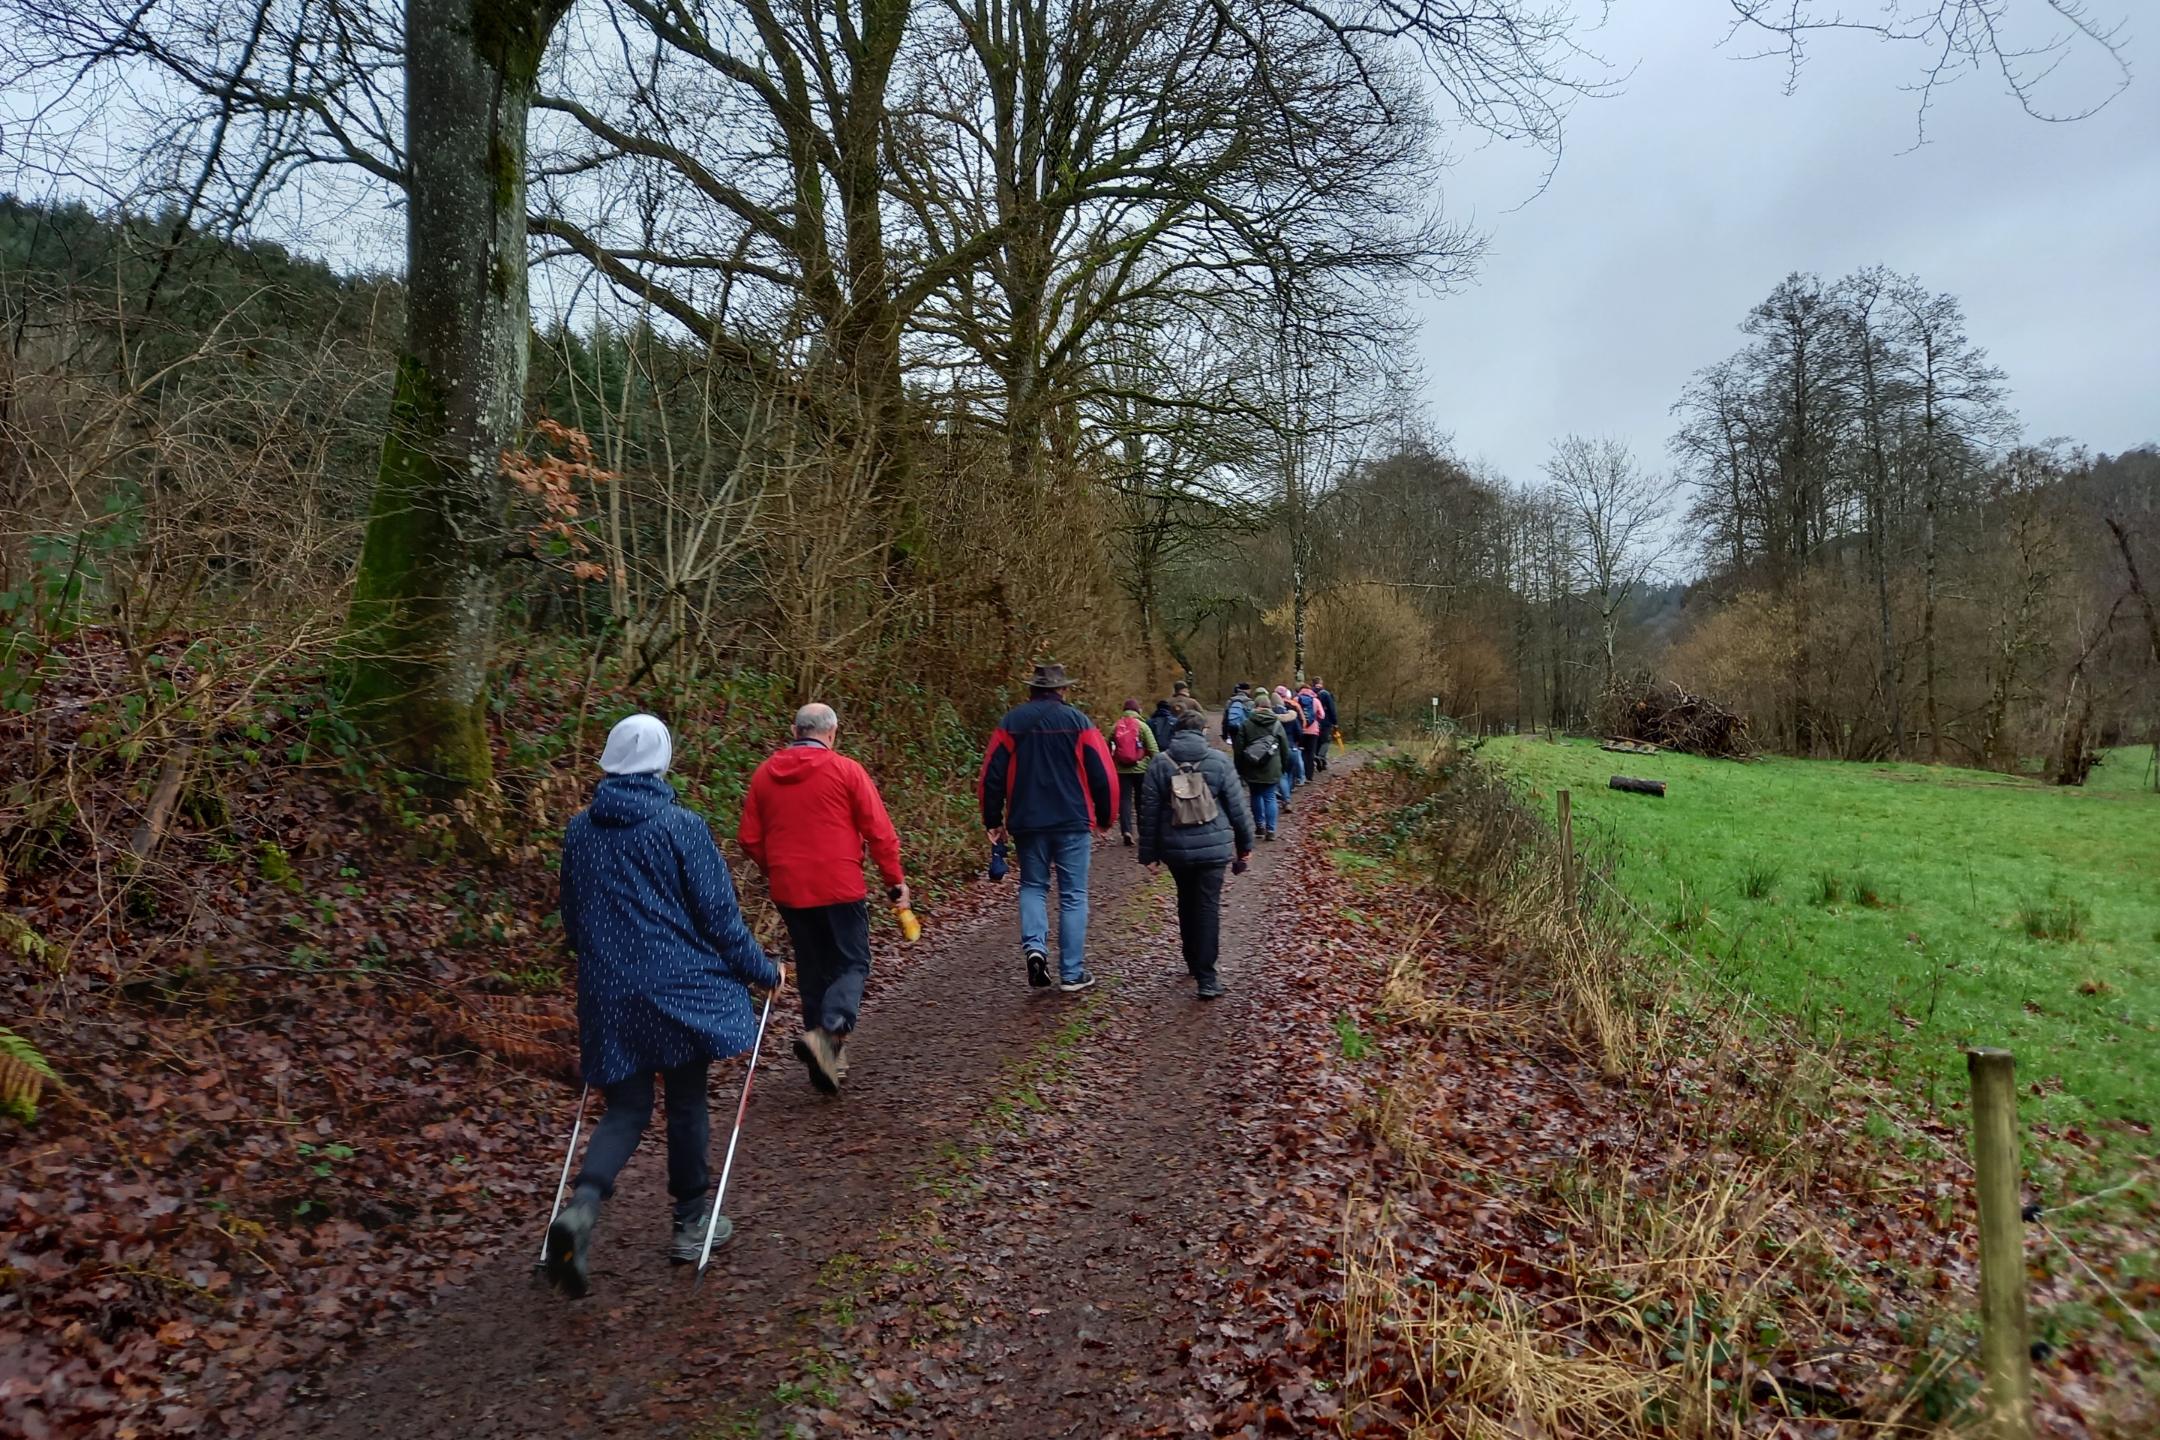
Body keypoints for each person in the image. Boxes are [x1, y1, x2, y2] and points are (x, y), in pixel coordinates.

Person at [548, 714, 784, 1297]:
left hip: (608, 990)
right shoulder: (681, 826)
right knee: (684, 1100)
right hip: (679, 989)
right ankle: (690, 1223)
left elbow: (573, 920)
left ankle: (580, 1209)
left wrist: (601, 962)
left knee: (626, 1108)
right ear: (662, 761)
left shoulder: (581, 830)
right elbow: (720, 918)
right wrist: (763, 970)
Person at [737, 702, 906, 1096]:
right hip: (839, 884)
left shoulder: (765, 775)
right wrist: (894, 882)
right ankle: (829, 1032)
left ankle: (825, 1062)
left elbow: (748, 838)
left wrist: (775, 867)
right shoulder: (846, 770)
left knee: (814, 970)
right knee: (852, 962)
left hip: (790, 889)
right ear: (831, 733)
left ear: (796, 731)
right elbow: (880, 832)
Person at [979, 662, 1117, 992]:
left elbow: (991, 776)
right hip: (1072, 821)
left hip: (1027, 821)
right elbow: (1104, 774)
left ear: (1031, 689)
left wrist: (993, 820)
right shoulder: (1079, 722)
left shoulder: (1011, 723)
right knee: (1073, 895)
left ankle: (1035, 949)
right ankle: (1071, 973)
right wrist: (1106, 817)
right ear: (1062, 690)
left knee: (1033, 887)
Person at [1137, 707, 1254, 999]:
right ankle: (1207, 976)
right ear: (1203, 732)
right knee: (1207, 906)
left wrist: (1149, 854)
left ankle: (1192, 959)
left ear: (1175, 733)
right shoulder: (1219, 761)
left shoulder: (1160, 764)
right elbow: (1238, 809)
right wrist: (1245, 846)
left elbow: (1148, 812)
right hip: (1213, 848)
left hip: (1176, 848)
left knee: (1186, 900)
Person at [1233, 695, 1288, 839]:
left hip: (1252, 766)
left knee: (1255, 795)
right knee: (1270, 797)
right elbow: (1284, 748)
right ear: (1270, 707)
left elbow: (1238, 748)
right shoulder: (1277, 724)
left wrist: (1239, 768)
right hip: (1272, 766)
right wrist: (1283, 767)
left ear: (1255, 706)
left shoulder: (1246, 724)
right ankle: (1271, 830)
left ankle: (1260, 826)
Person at [1109, 697, 1162, 845]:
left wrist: (1113, 763)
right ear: (1138, 710)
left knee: (1124, 800)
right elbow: (1153, 749)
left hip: (1121, 770)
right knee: (1141, 801)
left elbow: (1106, 747)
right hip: (1141, 769)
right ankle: (1142, 831)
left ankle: (1126, 830)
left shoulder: (1115, 726)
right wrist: (1156, 767)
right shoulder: (1143, 726)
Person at [1295, 681, 1325, 780]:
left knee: (1301, 752)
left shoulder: (1296, 699)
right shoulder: (1315, 701)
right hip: (1313, 731)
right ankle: (1309, 775)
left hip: (1300, 731)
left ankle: (1301, 775)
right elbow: (1322, 715)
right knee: (1310, 753)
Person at [1311, 676, 1340, 769]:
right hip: (1325, 721)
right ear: (1321, 683)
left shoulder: (1310, 694)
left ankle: (1319, 761)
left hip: (1312, 722)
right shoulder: (1326, 694)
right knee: (1326, 741)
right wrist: (1335, 722)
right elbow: (1332, 709)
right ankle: (1321, 757)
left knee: (1317, 741)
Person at [1220, 681, 1254, 746]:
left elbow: (1225, 719)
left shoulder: (1230, 701)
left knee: (1236, 749)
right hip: (1245, 730)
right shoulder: (1250, 702)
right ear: (1247, 690)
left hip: (1232, 729)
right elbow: (1252, 719)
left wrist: (1225, 734)